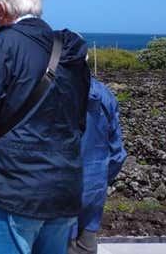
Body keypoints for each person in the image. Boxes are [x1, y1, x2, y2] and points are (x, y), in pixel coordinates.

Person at [0, 0, 91, 254]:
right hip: (63, 187)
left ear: (2, 9)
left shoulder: (2, 46)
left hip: (14, 187)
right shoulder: (71, 52)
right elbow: (80, 120)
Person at [68, 76, 127, 254]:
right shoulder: (104, 94)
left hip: (59, 190)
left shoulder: (52, 89)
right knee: (87, 243)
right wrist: (101, 177)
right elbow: (117, 154)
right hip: (93, 186)